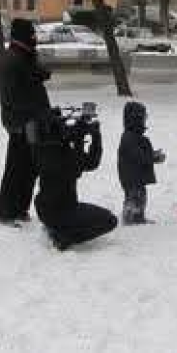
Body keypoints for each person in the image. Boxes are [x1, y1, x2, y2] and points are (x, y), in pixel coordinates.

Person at [32, 107, 117, 250]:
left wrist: (77, 134)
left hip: (44, 209)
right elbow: (91, 163)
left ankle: (55, 228)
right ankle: (64, 237)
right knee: (110, 220)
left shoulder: (39, 148)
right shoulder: (65, 155)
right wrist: (92, 136)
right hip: (63, 211)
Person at [0, 18, 50, 227]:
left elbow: (38, 73)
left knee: (30, 167)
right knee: (16, 168)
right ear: (22, 36)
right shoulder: (11, 60)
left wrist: (39, 71)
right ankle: (5, 212)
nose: (35, 38)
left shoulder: (25, 55)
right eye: (31, 34)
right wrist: (36, 109)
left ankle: (20, 208)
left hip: (32, 121)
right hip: (20, 123)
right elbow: (12, 97)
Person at [117, 101, 165, 225]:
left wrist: (153, 154)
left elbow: (140, 154)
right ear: (136, 119)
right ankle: (130, 218)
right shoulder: (129, 137)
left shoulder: (134, 135)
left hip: (135, 175)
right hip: (131, 176)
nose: (145, 120)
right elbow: (138, 156)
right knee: (134, 196)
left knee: (141, 196)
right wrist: (153, 157)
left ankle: (138, 217)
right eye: (143, 117)